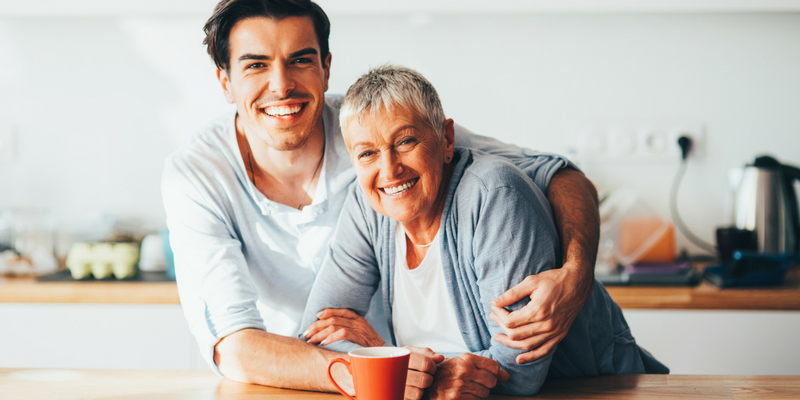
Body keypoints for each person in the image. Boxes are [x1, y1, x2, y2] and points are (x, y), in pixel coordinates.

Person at [161, 0, 601, 396]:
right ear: (225, 81)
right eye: (256, 65)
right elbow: (235, 347)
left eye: (300, 59)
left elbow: (554, 173)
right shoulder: (198, 175)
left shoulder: (375, 121)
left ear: (326, 67)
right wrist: (372, 365)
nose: (281, 85)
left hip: (411, 377)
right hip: (312, 378)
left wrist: (578, 271)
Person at [300, 65, 667, 398]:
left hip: (591, 391)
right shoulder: (366, 207)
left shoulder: (494, 195)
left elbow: (519, 370)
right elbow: (315, 333)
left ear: (446, 140)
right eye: (367, 154)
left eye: (406, 141)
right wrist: (391, 360)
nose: (390, 169)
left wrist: (391, 367)